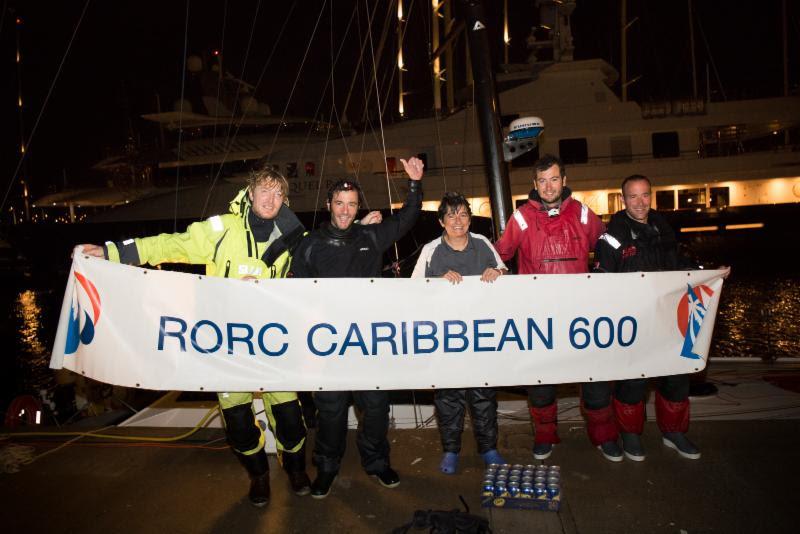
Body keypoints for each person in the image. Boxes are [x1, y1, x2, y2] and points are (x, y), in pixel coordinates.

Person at [80, 164, 312, 507]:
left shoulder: (292, 235)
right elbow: (170, 245)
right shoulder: (221, 230)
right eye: (265, 190)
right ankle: (259, 474)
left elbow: (322, 261)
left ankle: (295, 469)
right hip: (226, 345)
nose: (271, 199)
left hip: (272, 344)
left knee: (291, 417)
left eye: (279, 193)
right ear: (250, 194)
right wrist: (113, 251)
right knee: (237, 422)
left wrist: (357, 233)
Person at [290, 156, 425, 499]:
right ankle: (327, 467)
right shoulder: (310, 244)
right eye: (340, 203)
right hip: (328, 347)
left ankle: (377, 462)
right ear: (329, 205)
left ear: (358, 207)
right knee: (331, 412)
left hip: (368, 345)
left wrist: (414, 184)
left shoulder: (371, 236)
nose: (346, 210)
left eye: (352, 205)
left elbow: (408, 219)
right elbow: (295, 294)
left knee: (377, 407)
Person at [493, 154, 618, 462]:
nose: (548, 187)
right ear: (535, 184)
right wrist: (491, 269)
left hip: (581, 315)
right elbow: (499, 254)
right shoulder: (521, 217)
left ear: (564, 181)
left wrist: (619, 264)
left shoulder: (582, 213)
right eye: (542, 181)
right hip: (539, 317)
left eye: (554, 179)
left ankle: (603, 435)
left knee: (594, 378)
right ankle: (545, 435)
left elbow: (609, 243)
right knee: (541, 382)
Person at [594, 174, 711, 461]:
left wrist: (709, 271)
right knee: (632, 382)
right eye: (632, 196)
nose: (639, 202)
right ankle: (631, 435)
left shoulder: (663, 228)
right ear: (623, 200)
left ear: (651, 196)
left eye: (644, 195)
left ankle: (674, 432)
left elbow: (681, 265)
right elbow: (600, 278)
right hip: (633, 324)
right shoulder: (612, 235)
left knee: (676, 377)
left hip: (669, 318)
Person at [411, 192, 507, 474]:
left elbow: (505, 271)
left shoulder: (483, 243)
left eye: (463, 214)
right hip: (445, 339)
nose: (458, 220)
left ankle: (489, 448)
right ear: (441, 221)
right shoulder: (430, 250)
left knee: (483, 395)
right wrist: (436, 282)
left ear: (469, 219)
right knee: (448, 397)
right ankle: (451, 450)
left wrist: (497, 274)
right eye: (451, 215)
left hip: (481, 336)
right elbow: (414, 289)